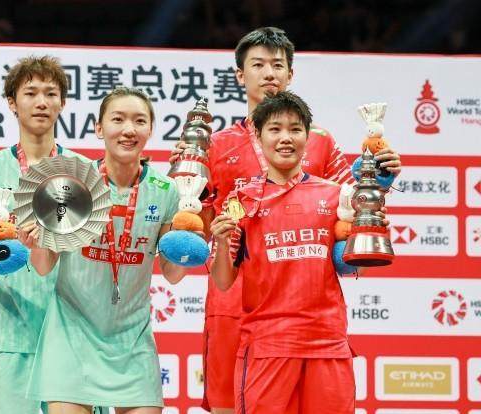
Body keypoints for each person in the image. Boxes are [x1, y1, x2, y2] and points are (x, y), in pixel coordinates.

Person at [171, 27, 402, 413]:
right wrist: (181, 177)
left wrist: (381, 180)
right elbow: (197, 217)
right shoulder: (214, 145)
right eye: (258, 65)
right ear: (240, 75)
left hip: (309, 309)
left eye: (277, 65)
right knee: (229, 404)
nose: (269, 74)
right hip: (233, 297)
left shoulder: (320, 140)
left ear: (291, 74)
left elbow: (350, 210)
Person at [23, 86, 189, 414]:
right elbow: (43, 266)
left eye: (139, 121)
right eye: (118, 119)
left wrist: (187, 244)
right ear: (99, 128)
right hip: (71, 333)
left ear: (150, 130)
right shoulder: (73, 183)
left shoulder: (166, 190)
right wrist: (37, 242)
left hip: (132, 339)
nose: (129, 129)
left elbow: (172, 274)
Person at [210, 91, 371, 414]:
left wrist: (369, 220)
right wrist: (222, 242)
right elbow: (224, 281)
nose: (286, 138)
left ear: (307, 137)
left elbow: (358, 268)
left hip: (327, 345)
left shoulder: (336, 196)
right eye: (275, 129)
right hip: (268, 346)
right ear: (259, 137)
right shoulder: (241, 201)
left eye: (295, 129)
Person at [0, 55, 83, 414]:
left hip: (74, 328)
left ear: (62, 103)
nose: (42, 102)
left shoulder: (84, 171)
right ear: (12, 103)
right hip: (8, 328)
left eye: (51, 94)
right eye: (31, 93)